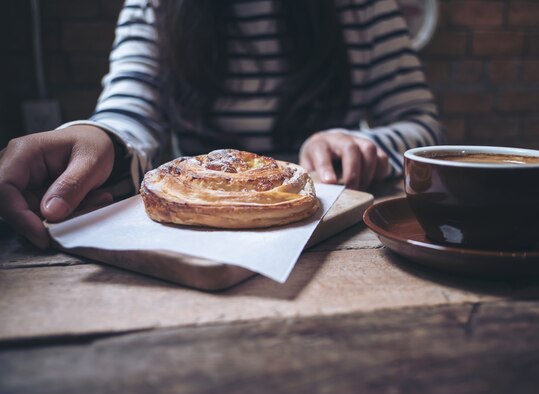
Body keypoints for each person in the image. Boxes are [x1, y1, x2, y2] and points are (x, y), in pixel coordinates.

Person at [0, 0, 442, 248]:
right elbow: (127, 113)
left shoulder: (362, 7)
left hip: (334, 237)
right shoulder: (154, 6)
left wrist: (359, 141)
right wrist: (97, 137)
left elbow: (421, 123)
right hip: (190, 239)